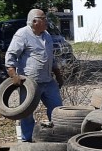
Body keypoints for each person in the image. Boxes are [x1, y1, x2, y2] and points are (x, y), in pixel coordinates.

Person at [5, 9, 64, 142]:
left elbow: (51, 57)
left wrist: (58, 75)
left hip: (48, 81)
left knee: (57, 110)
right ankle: (28, 140)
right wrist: (13, 75)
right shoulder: (22, 35)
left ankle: (56, 137)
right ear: (35, 22)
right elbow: (11, 55)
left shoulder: (47, 35)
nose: (47, 21)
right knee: (26, 113)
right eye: (44, 19)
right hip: (30, 82)